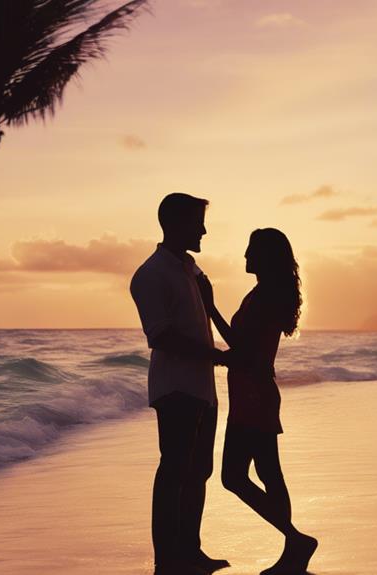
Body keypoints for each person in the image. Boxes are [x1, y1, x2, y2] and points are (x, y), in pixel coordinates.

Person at [198, 228, 318, 575]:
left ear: (265, 257)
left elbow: (243, 349)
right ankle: (292, 549)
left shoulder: (265, 297)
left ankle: (294, 539)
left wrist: (210, 309)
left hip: (253, 397)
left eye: (251, 251)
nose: (245, 257)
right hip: (256, 394)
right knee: (269, 473)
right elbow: (247, 349)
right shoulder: (265, 293)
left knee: (233, 477)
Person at [130, 193, 230, 575]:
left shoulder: (192, 270)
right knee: (174, 469)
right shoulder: (151, 274)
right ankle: (166, 559)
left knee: (199, 471)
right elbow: (161, 336)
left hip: (203, 388)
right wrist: (217, 357)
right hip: (175, 388)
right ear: (174, 223)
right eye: (196, 222)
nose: (203, 230)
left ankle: (190, 551)